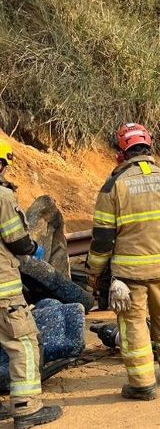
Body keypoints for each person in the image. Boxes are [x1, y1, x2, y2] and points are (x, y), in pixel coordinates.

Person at [86, 123, 160, 400]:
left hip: (130, 275)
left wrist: (94, 271)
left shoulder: (114, 186)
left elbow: (103, 238)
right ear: (150, 147)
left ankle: (143, 384)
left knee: (133, 327)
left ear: (122, 153)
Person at [0, 139, 62, 427]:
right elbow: (16, 239)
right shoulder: (2, 197)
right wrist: (32, 246)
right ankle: (26, 408)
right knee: (22, 342)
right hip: (3, 289)